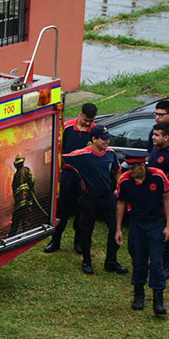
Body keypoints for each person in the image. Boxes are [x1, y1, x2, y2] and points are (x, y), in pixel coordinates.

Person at [62, 125, 128, 275]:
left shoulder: (110, 153)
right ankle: (86, 261)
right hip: (89, 198)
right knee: (86, 230)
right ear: (94, 139)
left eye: (108, 138)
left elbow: (117, 170)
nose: (107, 141)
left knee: (114, 228)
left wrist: (119, 187)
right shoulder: (81, 155)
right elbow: (61, 159)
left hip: (107, 197)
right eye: (103, 139)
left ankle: (111, 261)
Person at [115, 153, 169, 316]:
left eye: (132, 168)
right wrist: (118, 229)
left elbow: (167, 198)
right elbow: (120, 203)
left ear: (142, 166)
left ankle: (158, 299)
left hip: (156, 223)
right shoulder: (124, 180)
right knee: (138, 260)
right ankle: (138, 294)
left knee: (156, 261)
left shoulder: (158, 176)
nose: (129, 171)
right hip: (136, 223)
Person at [45, 103, 98, 253]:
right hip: (67, 174)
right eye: (85, 120)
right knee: (61, 209)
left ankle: (78, 242)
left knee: (82, 211)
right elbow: (57, 146)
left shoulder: (95, 131)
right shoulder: (67, 127)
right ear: (80, 114)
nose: (87, 124)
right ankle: (55, 241)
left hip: (84, 177)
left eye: (90, 121)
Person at [148, 121, 169, 276]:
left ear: (167, 137)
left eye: (157, 135)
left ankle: (167, 265)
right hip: (154, 198)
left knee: (168, 230)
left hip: (167, 198)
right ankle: (157, 260)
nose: (153, 137)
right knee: (156, 230)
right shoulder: (155, 149)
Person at [8, 153, 35, 236]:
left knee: (15, 224)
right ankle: (26, 238)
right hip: (26, 201)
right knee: (26, 222)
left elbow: (14, 189)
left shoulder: (15, 175)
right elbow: (32, 180)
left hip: (18, 204)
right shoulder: (26, 170)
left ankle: (11, 238)